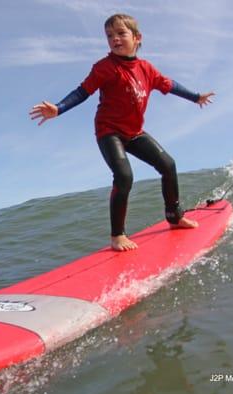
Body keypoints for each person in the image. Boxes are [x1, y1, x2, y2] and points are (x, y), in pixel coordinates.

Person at [30, 13, 214, 252]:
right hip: (109, 132)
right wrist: (59, 108)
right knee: (124, 176)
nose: (114, 39)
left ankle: (174, 217)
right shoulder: (105, 67)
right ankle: (117, 236)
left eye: (120, 33)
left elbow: (171, 85)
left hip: (135, 132)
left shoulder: (147, 69)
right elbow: (82, 91)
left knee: (168, 165)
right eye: (109, 35)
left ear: (137, 38)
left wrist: (195, 97)